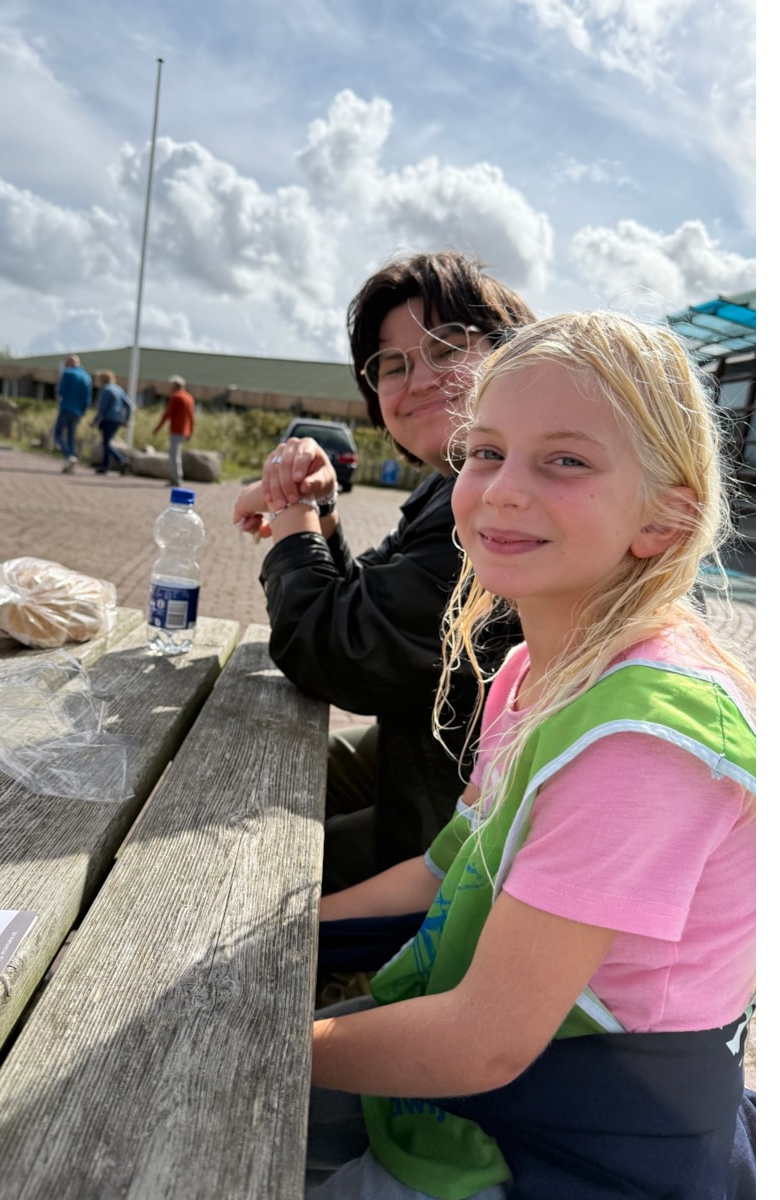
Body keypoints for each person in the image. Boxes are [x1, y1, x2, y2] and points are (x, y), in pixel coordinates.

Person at [304, 310, 757, 1199]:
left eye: (566, 461)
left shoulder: (643, 741)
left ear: (665, 518)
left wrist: (256, 1040)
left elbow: (483, 1043)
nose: (504, 490)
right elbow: (445, 871)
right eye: (486, 452)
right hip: (495, 1093)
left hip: (575, 1150)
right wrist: (282, 944)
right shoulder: (533, 670)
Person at [231, 251, 533, 895]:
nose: (417, 380)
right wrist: (321, 513)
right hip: (421, 766)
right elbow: (366, 605)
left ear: (512, 356)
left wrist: (290, 505)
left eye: (447, 347)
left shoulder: (503, 510)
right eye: (392, 365)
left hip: (461, 846)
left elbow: (334, 652)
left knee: (244, 868)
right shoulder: (445, 488)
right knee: (240, 771)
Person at [152, 375, 195, 487]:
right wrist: (190, 431)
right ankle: (177, 477)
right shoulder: (189, 398)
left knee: (174, 455)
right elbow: (191, 416)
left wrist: (157, 428)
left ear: (175, 386)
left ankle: (176, 479)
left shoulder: (176, 397)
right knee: (176, 454)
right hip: (184, 430)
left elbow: (167, 414)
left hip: (176, 430)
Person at [54, 354, 92, 474]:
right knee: (71, 436)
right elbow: (87, 399)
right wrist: (82, 412)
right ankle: (71, 462)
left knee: (58, 434)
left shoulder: (68, 374)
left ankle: (68, 456)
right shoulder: (87, 377)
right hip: (78, 411)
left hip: (66, 408)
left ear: (69, 363)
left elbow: (61, 391)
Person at [92, 370, 132, 475]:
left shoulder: (105, 390)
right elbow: (129, 405)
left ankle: (121, 460)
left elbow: (102, 408)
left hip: (108, 419)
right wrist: (126, 419)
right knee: (107, 442)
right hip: (118, 419)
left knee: (106, 443)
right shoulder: (119, 389)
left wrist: (95, 421)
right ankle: (104, 466)